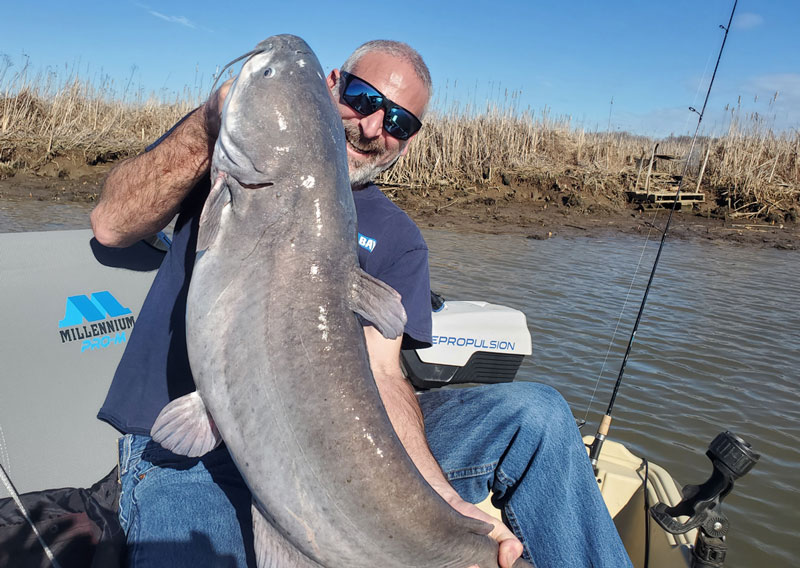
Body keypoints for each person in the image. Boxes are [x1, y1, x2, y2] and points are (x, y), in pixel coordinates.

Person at [91, 39, 631, 568]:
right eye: (365, 99)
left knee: (537, 416)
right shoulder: (226, 156)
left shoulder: (399, 238)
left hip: (334, 451)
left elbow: (384, 374)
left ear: (410, 140)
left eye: (398, 122)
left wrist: (439, 495)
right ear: (332, 86)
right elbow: (112, 225)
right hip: (189, 453)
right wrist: (211, 121)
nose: (373, 128)